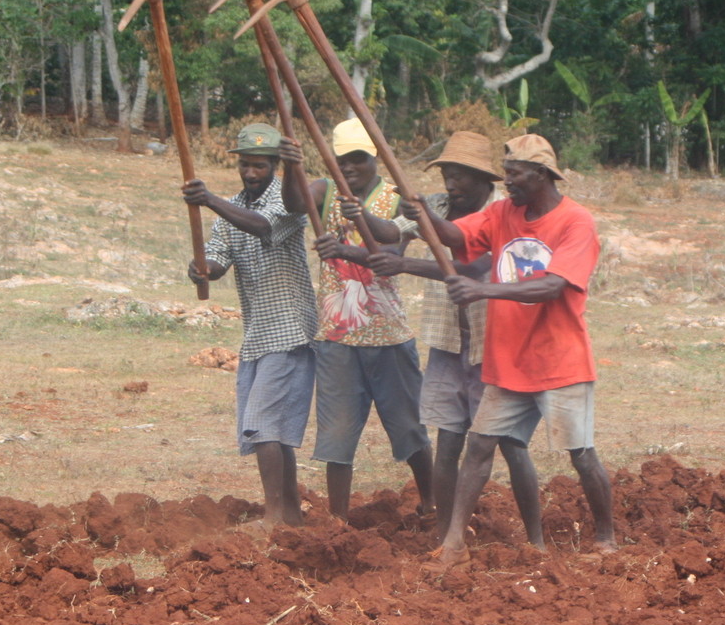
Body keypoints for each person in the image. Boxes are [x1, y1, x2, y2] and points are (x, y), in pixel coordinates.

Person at [403, 133, 616, 567]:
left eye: (515, 174)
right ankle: (453, 544)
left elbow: (552, 285)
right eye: (506, 174)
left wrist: (483, 289)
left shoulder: (576, 222)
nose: (508, 183)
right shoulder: (502, 213)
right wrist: (424, 215)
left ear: (541, 174)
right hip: (508, 362)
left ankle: (606, 538)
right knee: (479, 447)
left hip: (559, 360)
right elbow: (454, 239)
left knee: (581, 454)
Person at [365, 131, 542, 546]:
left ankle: (536, 541)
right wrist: (360, 214)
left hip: (493, 348)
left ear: (485, 180)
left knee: (511, 447)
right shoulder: (434, 206)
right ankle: (447, 538)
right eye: (446, 173)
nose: (451, 184)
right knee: (447, 445)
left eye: (460, 176)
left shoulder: (503, 214)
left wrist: (406, 263)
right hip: (447, 344)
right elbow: (392, 233)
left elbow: (476, 268)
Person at [281, 117, 433, 520]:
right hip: (337, 337)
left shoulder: (397, 199)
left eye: (357, 159)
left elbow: (392, 255)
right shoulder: (325, 191)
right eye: (340, 160)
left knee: (409, 428)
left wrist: (352, 235)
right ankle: (338, 521)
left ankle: (433, 503)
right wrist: (288, 167)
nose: (348, 168)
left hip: (388, 336)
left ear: (375, 158)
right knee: (337, 435)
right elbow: (294, 203)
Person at [183, 122, 317, 528]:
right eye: (245, 165)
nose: (251, 173)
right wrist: (201, 269)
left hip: (290, 328)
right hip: (258, 333)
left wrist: (209, 199)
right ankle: (289, 513)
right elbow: (218, 261)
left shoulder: (289, 201)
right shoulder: (231, 208)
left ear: (275, 165)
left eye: (260, 166)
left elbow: (263, 227)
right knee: (267, 428)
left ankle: (275, 517)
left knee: (261, 423)